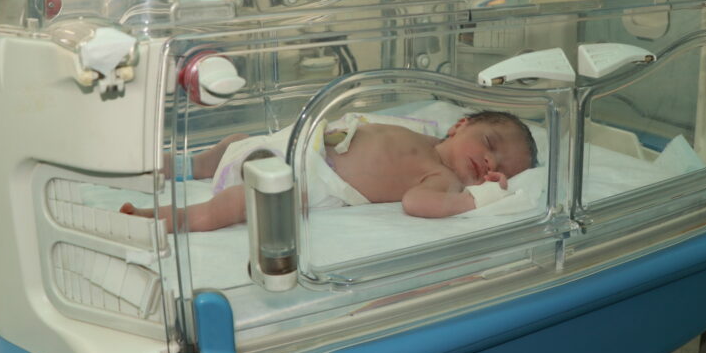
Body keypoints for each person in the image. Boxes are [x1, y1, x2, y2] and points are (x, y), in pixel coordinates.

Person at [121, 110, 537, 232]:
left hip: (316, 182)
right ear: (459, 125)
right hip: (302, 142)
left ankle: (167, 220)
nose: (490, 162)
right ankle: (182, 165)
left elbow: (416, 203)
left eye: (500, 169)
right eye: (489, 144)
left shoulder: (441, 177)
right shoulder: (423, 131)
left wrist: (476, 198)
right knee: (234, 144)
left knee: (237, 203)